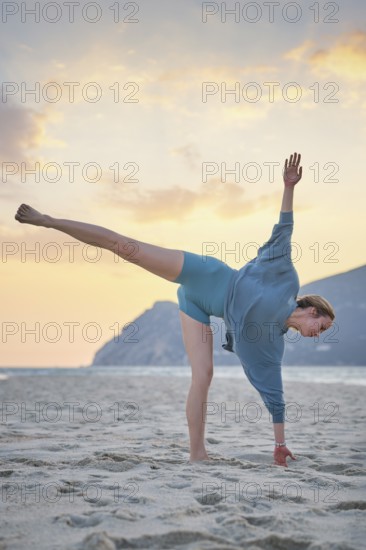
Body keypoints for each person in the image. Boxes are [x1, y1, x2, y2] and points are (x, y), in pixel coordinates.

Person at [15, 151, 335, 467]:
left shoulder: (272, 344)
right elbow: (284, 230)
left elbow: (275, 397)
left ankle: (197, 454)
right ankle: (48, 221)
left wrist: (279, 445)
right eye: (321, 328)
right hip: (206, 275)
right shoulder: (285, 279)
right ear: (312, 311)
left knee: (204, 375)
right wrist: (289, 187)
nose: (316, 336)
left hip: (196, 306)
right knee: (128, 249)